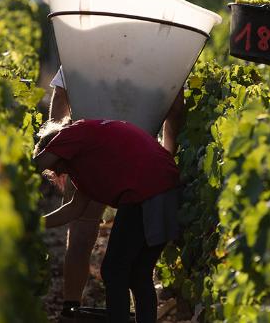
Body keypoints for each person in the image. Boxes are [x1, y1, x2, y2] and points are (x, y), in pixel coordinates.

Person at [34, 113, 182, 323]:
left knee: (114, 271)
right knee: (139, 274)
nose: (55, 171)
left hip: (146, 189)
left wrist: (10, 185)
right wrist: (34, 224)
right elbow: (73, 209)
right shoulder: (84, 163)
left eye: (54, 166)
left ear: (55, 149)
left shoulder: (69, 135)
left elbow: (34, 167)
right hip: (166, 187)